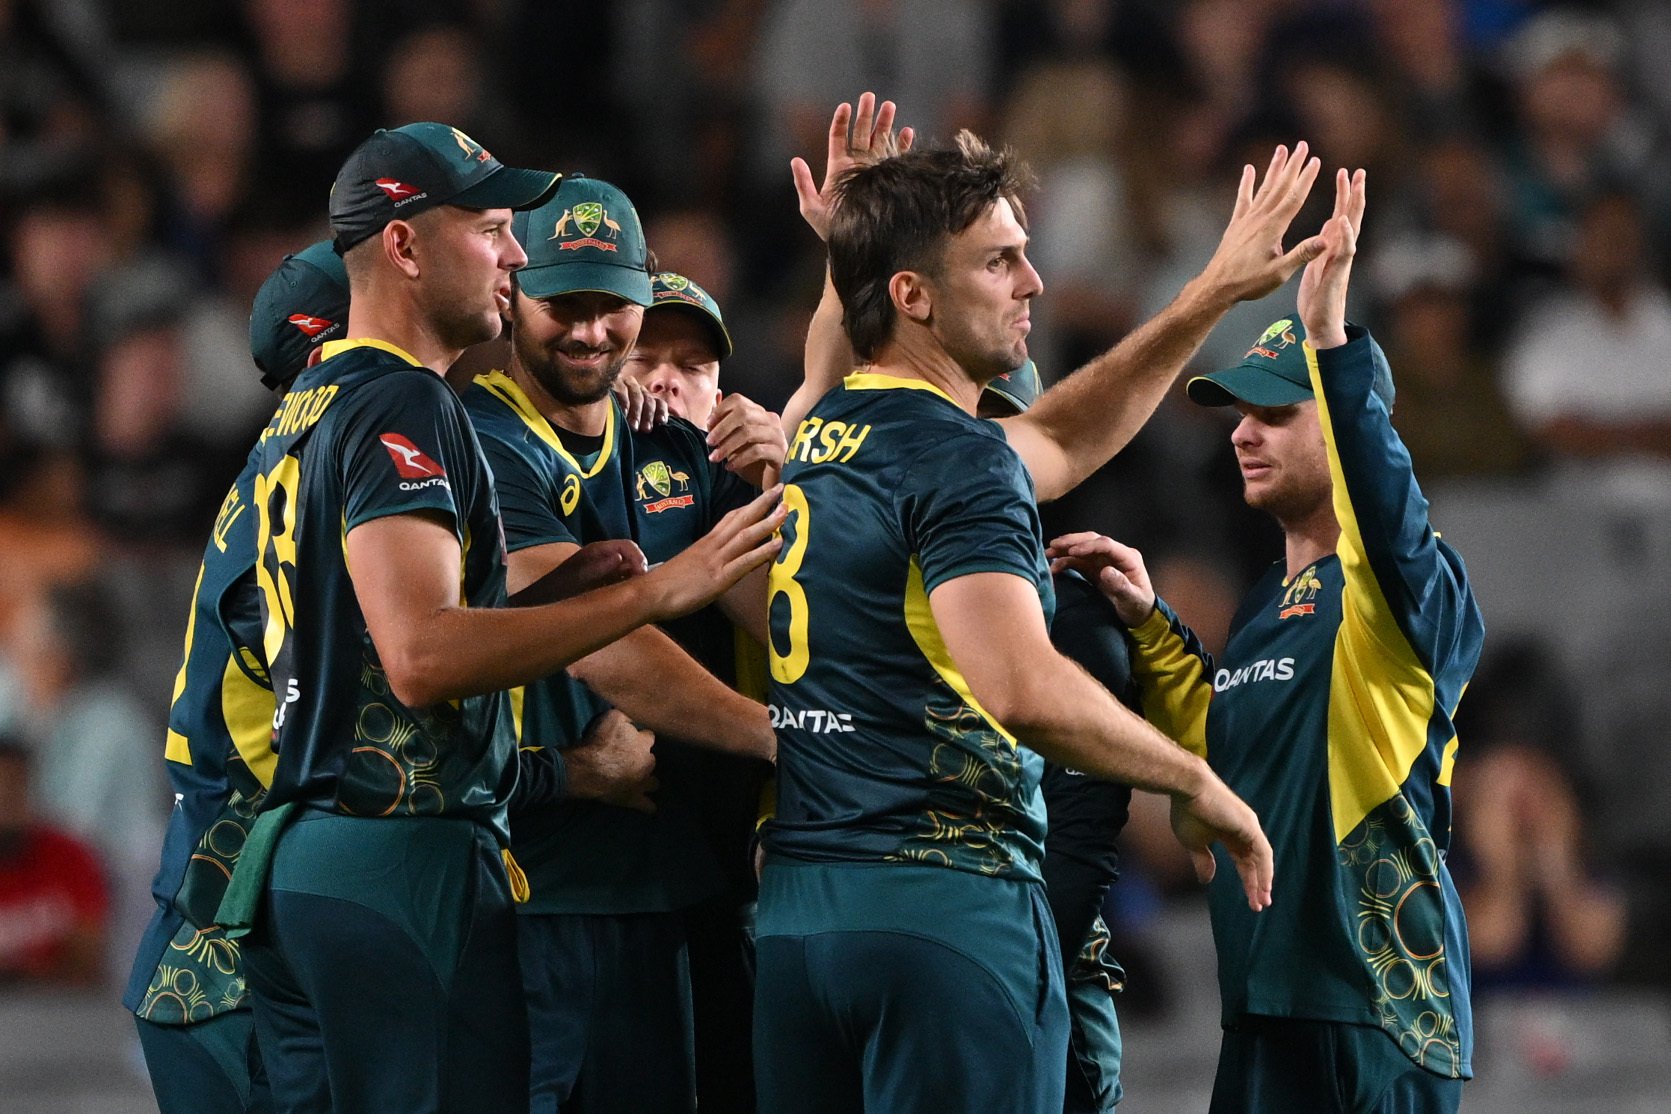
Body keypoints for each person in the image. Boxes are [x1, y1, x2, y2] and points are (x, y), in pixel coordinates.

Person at [756, 91, 1322, 1112]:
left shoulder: (817, 429)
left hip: (802, 924)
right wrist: (1192, 774)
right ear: (915, 298)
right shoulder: (960, 459)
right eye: (999, 261)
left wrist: (1203, 299)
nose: (1036, 281)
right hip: (947, 912)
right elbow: (1019, 686)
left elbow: (1059, 440)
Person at [228, 122, 784, 1114]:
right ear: (405, 246)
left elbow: (383, 639)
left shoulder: (318, 402)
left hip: (326, 838)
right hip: (404, 848)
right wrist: (654, 593)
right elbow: (422, 656)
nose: (514, 254)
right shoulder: (413, 404)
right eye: (492, 231)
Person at [1050, 170, 1486, 1113]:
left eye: (1275, 414)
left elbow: (1388, 514)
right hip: (1263, 1005)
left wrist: (1331, 344)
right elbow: (1221, 762)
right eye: (1239, 414)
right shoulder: (1263, 608)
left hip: (1376, 1009)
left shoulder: (1410, 586)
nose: (1243, 434)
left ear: (1340, 426)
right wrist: (1149, 624)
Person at [463, 174, 783, 1113]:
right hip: (526, 890)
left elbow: (782, 610)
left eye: (614, 306)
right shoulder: (479, 441)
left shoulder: (678, 450)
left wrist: (787, 477)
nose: (591, 330)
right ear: (512, 292)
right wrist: (786, 734)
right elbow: (605, 646)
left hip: (667, 886)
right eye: (566, 303)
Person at [122, 240, 348, 1114]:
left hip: (222, 935)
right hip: (231, 963)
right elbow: (339, 719)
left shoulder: (287, 461)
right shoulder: (321, 474)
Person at [0, 736, 108, 986]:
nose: (4, 799)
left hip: (53, 1009)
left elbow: (89, 959)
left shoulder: (67, 854)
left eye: (13, 785)